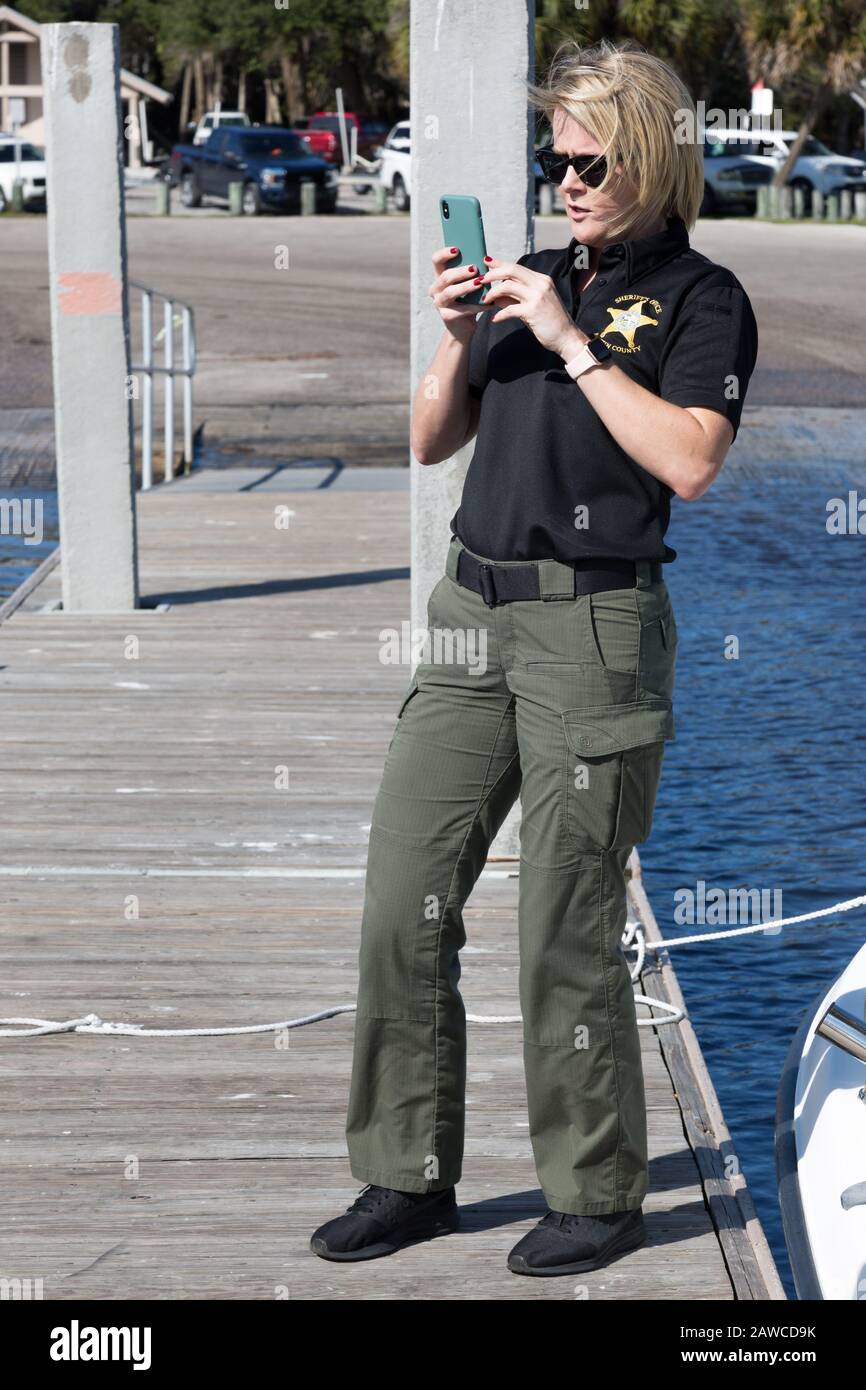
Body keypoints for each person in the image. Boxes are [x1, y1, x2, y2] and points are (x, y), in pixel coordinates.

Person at [310, 38, 758, 1277]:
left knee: (561, 921)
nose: (561, 180)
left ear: (650, 158)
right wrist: (459, 333)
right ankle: (406, 1174)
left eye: (586, 159)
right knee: (402, 895)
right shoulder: (535, 277)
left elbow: (689, 461)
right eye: (549, 158)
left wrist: (568, 340)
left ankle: (595, 1189)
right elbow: (425, 440)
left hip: (592, 627)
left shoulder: (699, 297)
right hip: (470, 608)